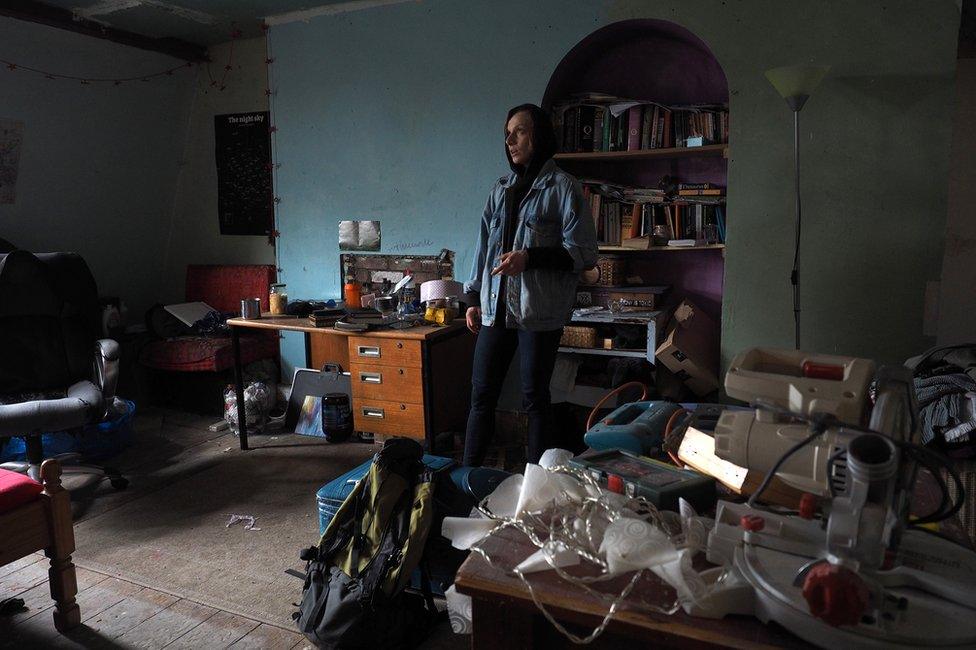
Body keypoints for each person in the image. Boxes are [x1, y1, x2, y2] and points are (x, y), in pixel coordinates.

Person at [462, 103, 598, 467]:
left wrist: (530, 257)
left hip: (538, 312)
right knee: (480, 397)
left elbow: (584, 253)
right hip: (494, 309)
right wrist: (472, 297)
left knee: (535, 399)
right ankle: (467, 476)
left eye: (519, 131)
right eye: (507, 133)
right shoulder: (500, 189)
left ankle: (535, 485)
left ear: (539, 135)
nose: (510, 140)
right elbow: (483, 248)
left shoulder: (564, 188)